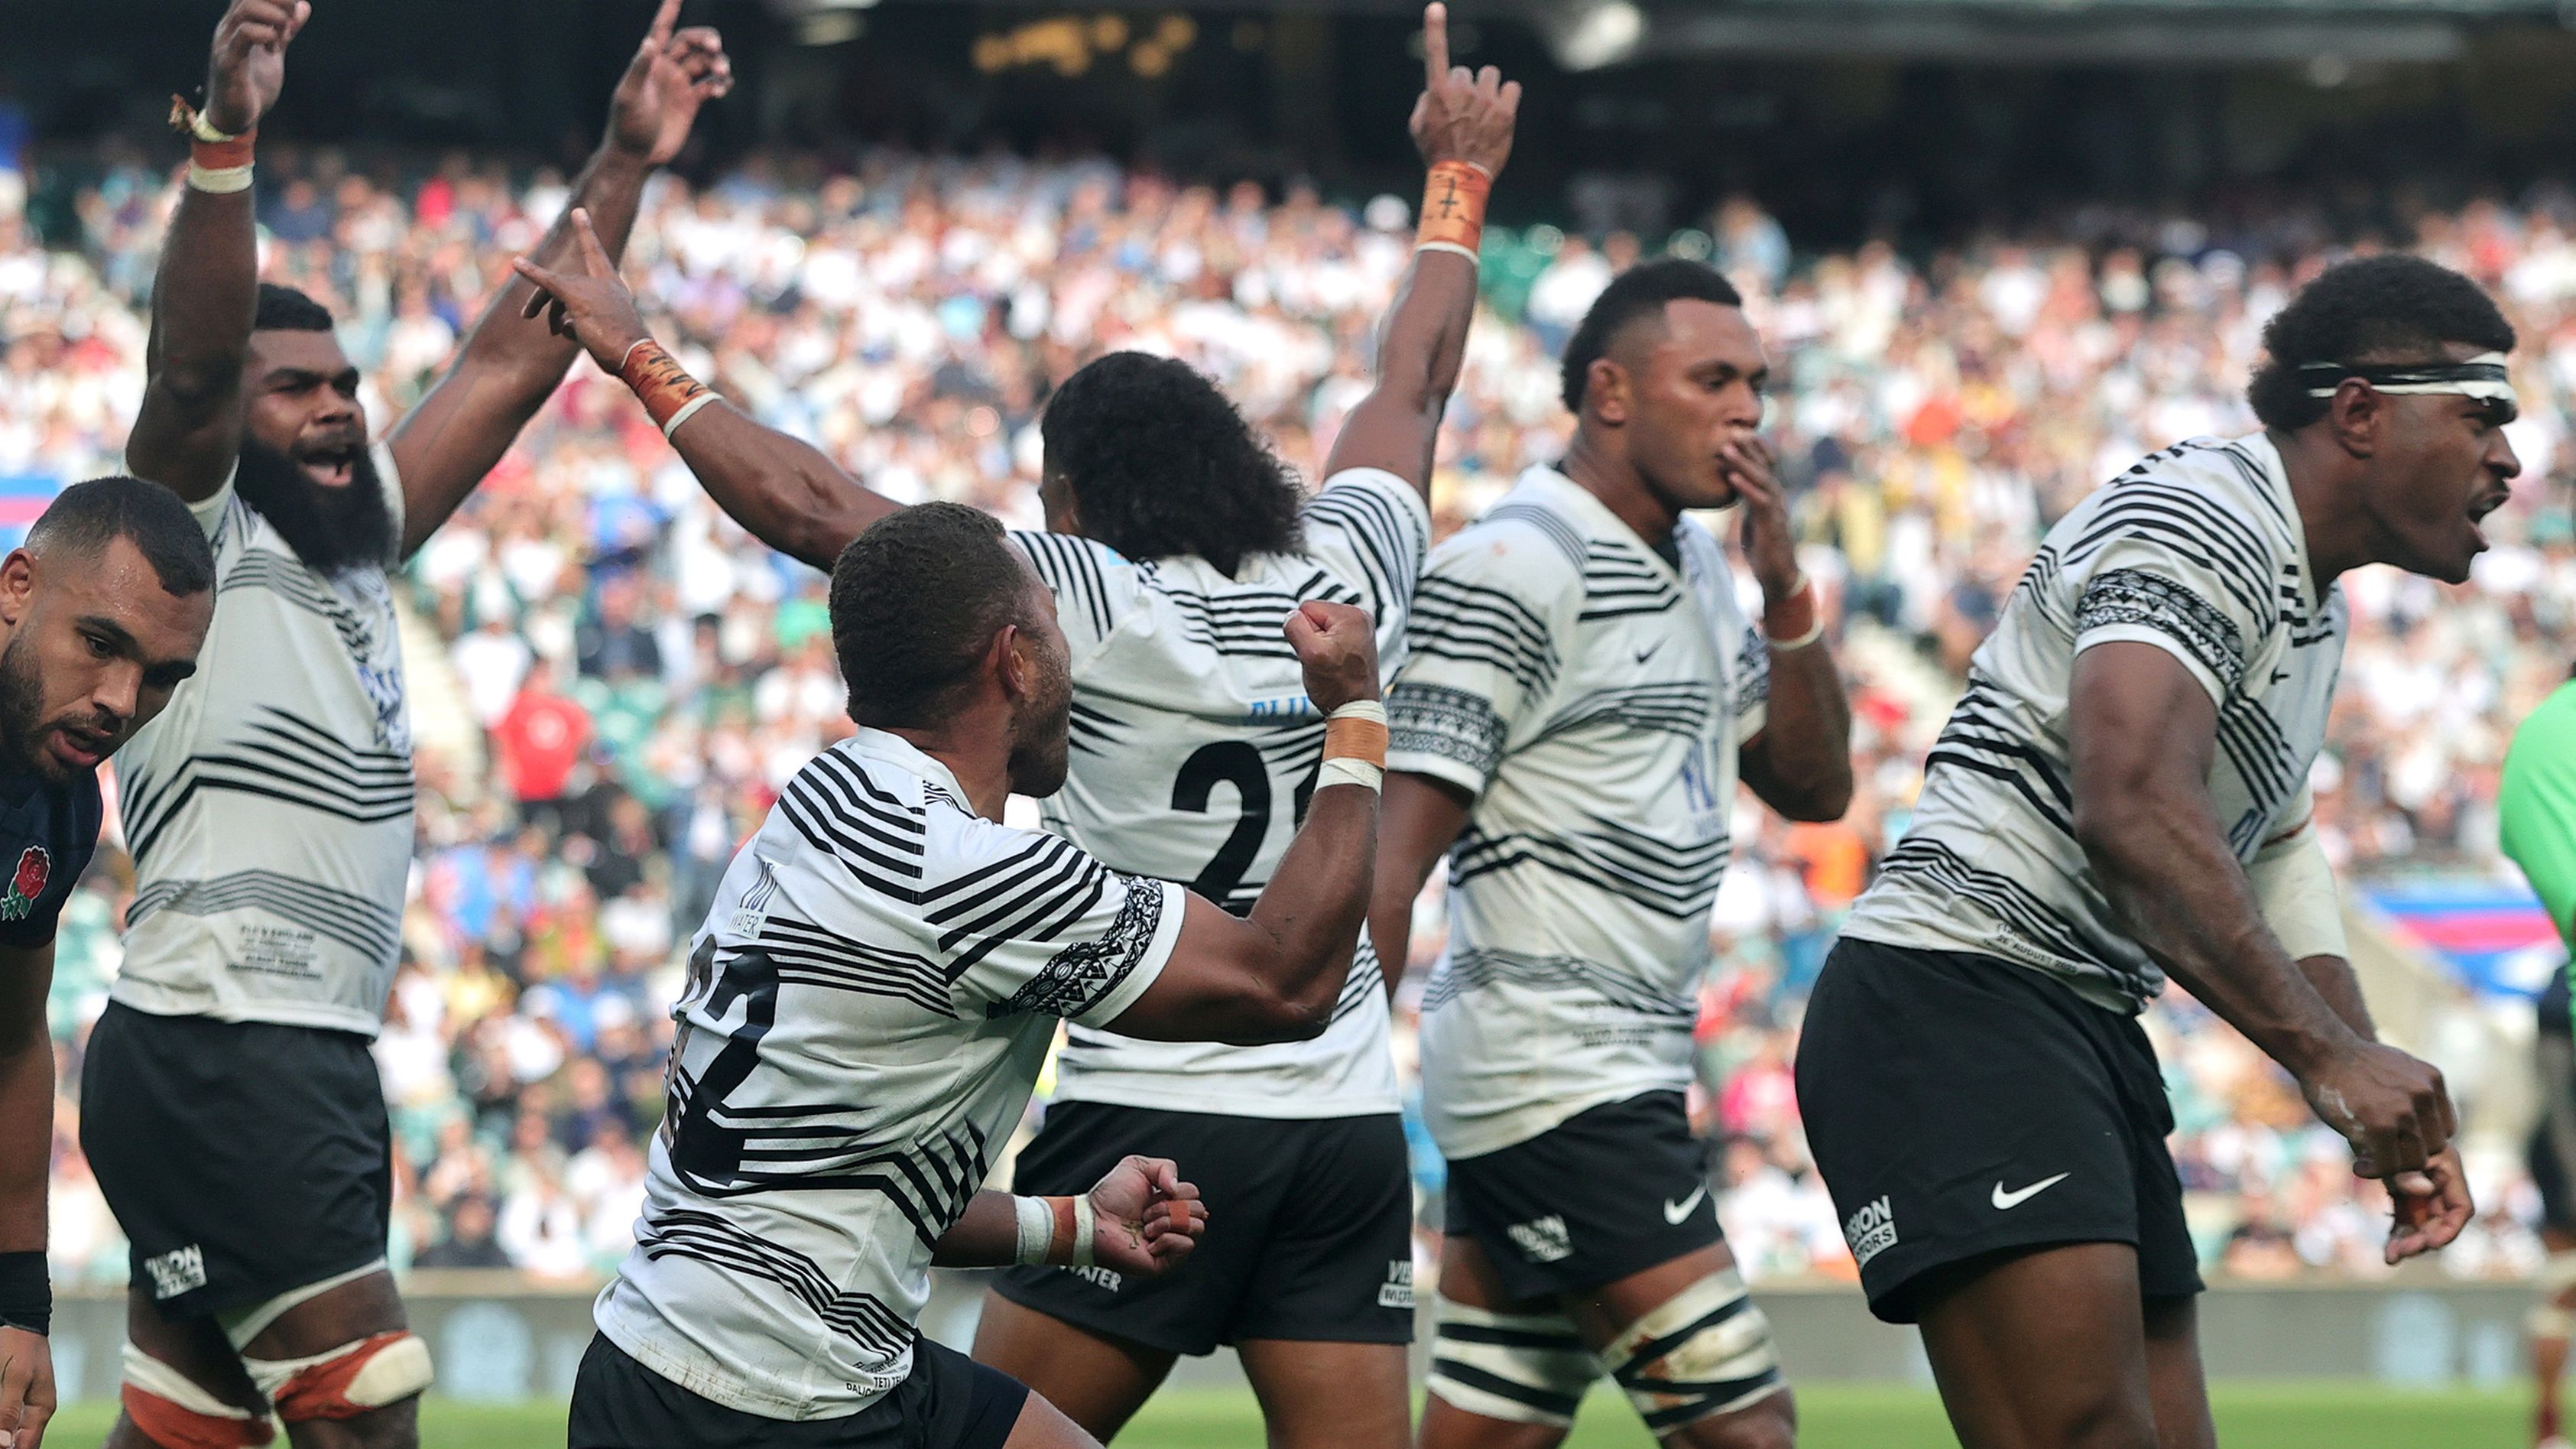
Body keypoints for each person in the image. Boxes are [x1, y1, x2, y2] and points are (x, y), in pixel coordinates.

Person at [514, 10, 1515, 1443]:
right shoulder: (1346, 567)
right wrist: (1457, 185)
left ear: (1068, 514)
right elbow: (1409, 386)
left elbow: (830, 517)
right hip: (1340, 1107)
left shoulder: (1077, 600)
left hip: (1148, 1082)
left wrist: (643, 357)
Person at [88, 5, 729, 1447]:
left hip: (281, 1047)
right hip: (229, 1040)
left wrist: (624, 160)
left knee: (185, 1434)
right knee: (369, 1417)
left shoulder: (360, 537)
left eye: (346, 389)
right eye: (297, 391)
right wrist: (229, 138)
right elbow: (188, 369)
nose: (335, 411)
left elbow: (512, 354)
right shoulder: (191, 537)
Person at [1795, 252, 2500, 1448]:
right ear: (2362, 411)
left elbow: (2272, 853)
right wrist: (2327, 1055)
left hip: (2069, 1018)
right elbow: (2127, 806)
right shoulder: (2204, 514)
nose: (2509, 458)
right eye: (2481, 414)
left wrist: (2364, 1078)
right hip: (1958, 1001)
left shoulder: (2307, 603)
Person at [569, 502, 1393, 1449]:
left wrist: (1073, 1224)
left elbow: (839, 1178)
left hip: (700, 1347)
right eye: (1054, 629)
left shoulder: (812, 806)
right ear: (1016, 658)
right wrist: (1356, 715)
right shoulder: (964, 871)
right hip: (763, 1399)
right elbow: (1284, 983)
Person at [1368, 256, 1852, 1449]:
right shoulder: (1514, 563)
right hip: (1551, 1077)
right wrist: (1323, 1087)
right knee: (1745, 1427)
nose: (1746, 408)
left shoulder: (1694, 560)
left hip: (1615, 1064)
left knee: (1491, 1429)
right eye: (1711, 379)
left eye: (1755, 383)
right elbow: (1392, 850)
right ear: (1611, 392)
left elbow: (1813, 785)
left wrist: (1781, 583)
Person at [0, 479, 217, 1449]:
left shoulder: (64, 805)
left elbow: (10, 1044)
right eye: (101, 642)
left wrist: (19, 1307)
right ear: (16, 585)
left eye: (163, 674)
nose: (122, 703)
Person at [2500, 665, 2576, 1449]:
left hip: (2557, 1138)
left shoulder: (2554, 984)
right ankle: (2548, 1427)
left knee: (2560, 1287)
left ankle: (2546, 1429)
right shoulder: (2561, 991)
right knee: (2562, 1284)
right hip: (2566, 1138)